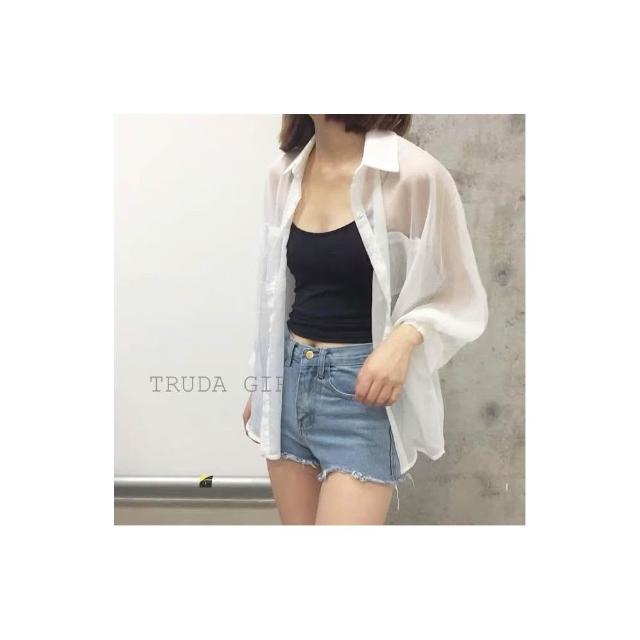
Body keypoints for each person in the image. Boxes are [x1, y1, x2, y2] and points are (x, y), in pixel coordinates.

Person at [243, 115, 488, 525]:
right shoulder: (283, 173)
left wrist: (404, 339)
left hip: (360, 397)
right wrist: (263, 382)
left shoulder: (414, 175)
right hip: (286, 383)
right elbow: (274, 292)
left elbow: (459, 293)